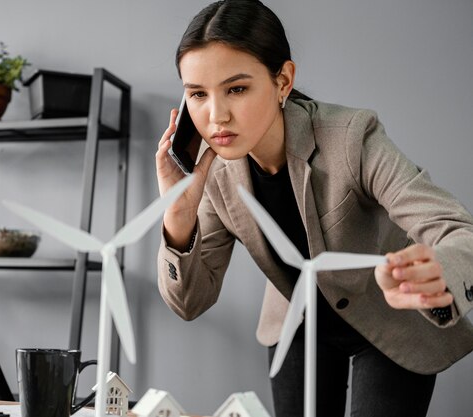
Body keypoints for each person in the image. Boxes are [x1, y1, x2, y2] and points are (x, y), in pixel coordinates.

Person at [154, 1, 473, 416]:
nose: (217, 116)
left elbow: (456, 230)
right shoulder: (212, 174)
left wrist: (438, 272)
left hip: (387, 318)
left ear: (283, 80)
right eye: (197, 94)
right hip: (298, 323)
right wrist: (177, 219)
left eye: (236, 88)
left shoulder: (352, 137)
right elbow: (189, 302)